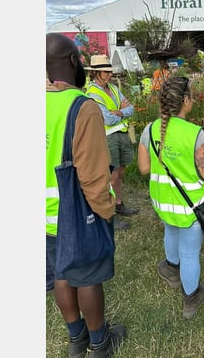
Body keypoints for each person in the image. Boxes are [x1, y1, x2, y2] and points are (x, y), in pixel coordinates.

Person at [46, 33, 127, 357]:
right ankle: (99, 343)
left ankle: (76, 339)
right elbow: (93, 175)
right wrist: (107, 212)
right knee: (88, 278)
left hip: (45, 215)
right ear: (72, 62)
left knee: (62, 275)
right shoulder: (82, 107)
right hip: (76, 212)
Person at [136, 76, 204, 320]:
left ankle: (171, 268)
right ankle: (190, 297)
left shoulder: (150, 130)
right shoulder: (194, 133)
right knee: (190, 253)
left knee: (171, 231)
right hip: (190, 207)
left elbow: (144, 168)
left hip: (163, 203)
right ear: (186, 100)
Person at [86, 55, 138, 229]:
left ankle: (119, 204)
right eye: (105, 72)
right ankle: (109, 214)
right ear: (96, 73)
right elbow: (107, 119)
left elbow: (131, 108)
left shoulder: (114, 88)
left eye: (110, 71)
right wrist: (121, 111)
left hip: (122, 134)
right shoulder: (92, 93)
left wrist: (119, 112)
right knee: (111, 175)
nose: (109, 75)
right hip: (108, 137)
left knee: (120, 173)